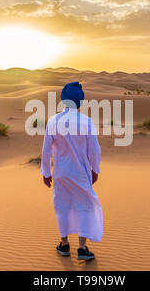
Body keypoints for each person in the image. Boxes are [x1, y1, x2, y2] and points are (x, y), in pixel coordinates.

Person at [40, 82, 102, 261]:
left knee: (62, 206)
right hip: (81, 172)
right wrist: (95, 169)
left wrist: (45, 172)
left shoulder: (53, 121)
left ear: (64, 99)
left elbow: (45, 150)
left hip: (60, 173)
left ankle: (64, 244)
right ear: (80, 101)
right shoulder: (87, 122)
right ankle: (82, 247)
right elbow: (94, 150)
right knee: (85, 206)